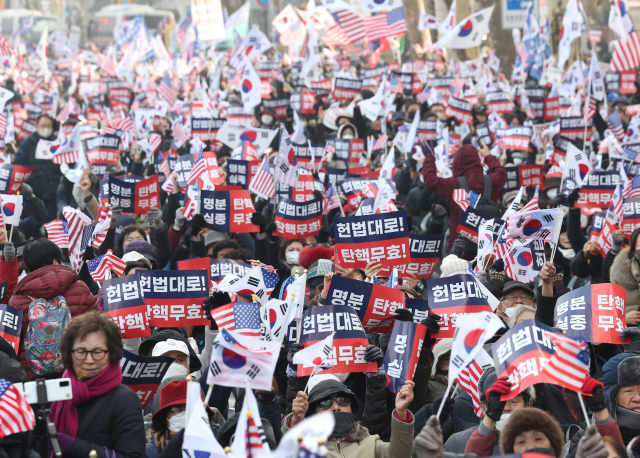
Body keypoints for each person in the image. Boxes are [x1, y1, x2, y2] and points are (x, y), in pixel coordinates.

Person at [50, 311, 146, 458]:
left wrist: (75, 447)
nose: (89, 360)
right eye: (81, 351)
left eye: (98, 352)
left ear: (112, 353)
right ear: (69, 353)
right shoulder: (56, 391)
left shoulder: (125, 399)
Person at [9, 239, 97, 380]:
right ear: (56, 261)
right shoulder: (80, 288)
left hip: (35, 377)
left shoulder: (17, 300)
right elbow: (97, 326)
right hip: (79, 370)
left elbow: (12, 344)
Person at [284, 375, 416, 458]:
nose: (336, 407)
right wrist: (296, 420)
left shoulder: (371, 443)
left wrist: (400, 412)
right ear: (313, 413)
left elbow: (400, 455)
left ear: (351, 408)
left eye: (343, 400)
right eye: (325, 402)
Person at [422, 143, 507, 250]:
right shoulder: (492, 181)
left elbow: (430, 180)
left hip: (460, 248)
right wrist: (488, 155)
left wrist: (429, 157)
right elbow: (501, 172)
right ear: (477, 161)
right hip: (489, 248)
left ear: (457, 162)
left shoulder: (452, 184)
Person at [14, 114, 62, 222]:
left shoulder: (58, 143)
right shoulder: (27, 144)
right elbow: (20, 166)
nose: (46, 128)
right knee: (33, 221)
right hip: (33, 191)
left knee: (51, 222)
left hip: (52, 191)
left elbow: (64, 165)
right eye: (43, 125)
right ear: (36, 127)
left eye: (49, 126)